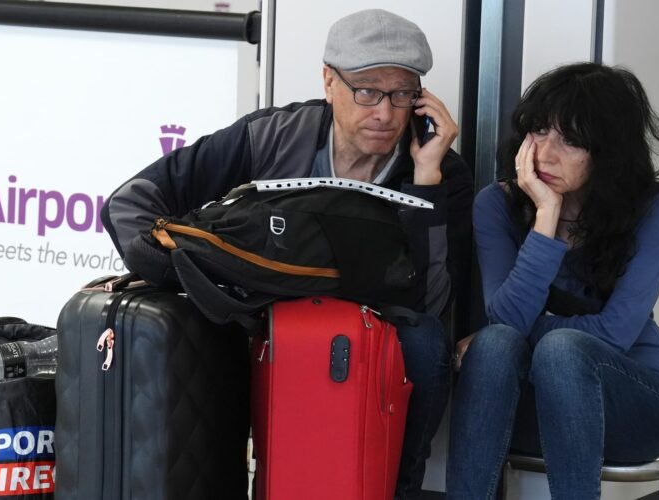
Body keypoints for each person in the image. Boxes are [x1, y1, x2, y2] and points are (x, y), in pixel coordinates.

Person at [101, 9, 473, 499]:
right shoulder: (273, 135)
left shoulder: (441, 171)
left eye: (402, 93)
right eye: (366, 91)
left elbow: (428, 302)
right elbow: (130, 201)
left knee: (425, 343)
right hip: (265, 318)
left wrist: (427, 182)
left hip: (369, 336)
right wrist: (180, 273)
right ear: (328, 81)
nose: (385, 113)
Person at [446, 62, 659, 499]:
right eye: (538, 131)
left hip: (637, 408)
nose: (545, 153)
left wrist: (529, 329)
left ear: (607, 152)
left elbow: (614, 335)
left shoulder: (653, 208)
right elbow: (506, 321)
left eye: (571, 140)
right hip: (533, 412)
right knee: (496, 344)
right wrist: (546, 216)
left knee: (553, 348)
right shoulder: (496, 205)